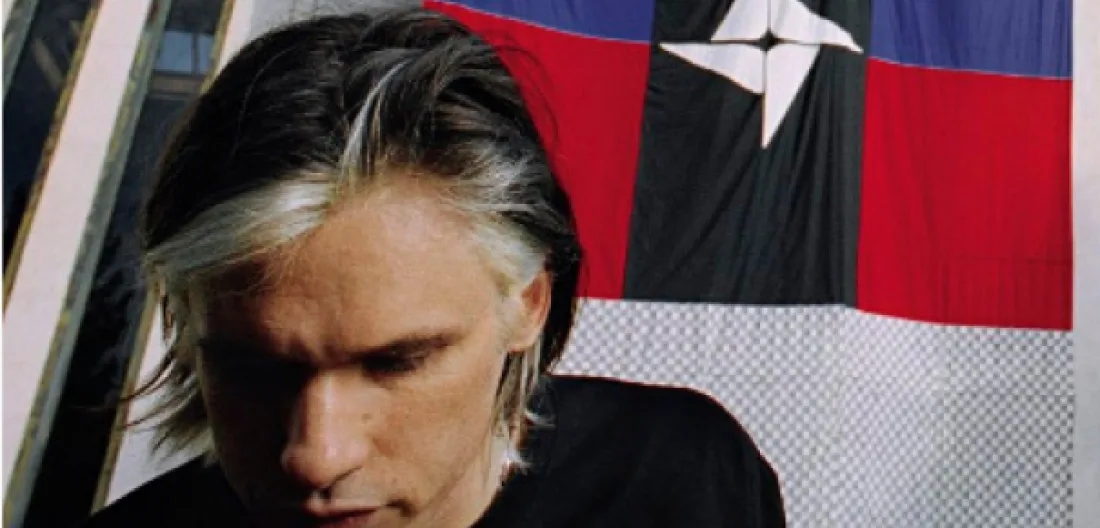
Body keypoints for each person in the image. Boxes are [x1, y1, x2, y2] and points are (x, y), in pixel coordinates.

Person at [86, 7, 784, 527]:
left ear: (529, 302)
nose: (316, 456)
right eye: (254, 369)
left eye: (398, 362)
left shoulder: (685, 474)